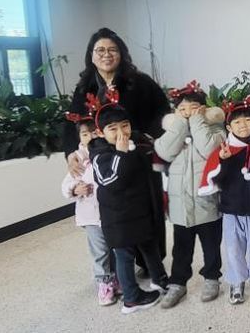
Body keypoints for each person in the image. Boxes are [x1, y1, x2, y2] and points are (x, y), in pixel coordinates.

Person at [64, 27, 170, 266]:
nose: (106, 54)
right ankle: (118, 267)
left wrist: (151, 138)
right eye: (100, 50)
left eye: (112, 49)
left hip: (138, 155)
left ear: (121, 53)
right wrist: (71, 153)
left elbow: (162, 112)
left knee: (146, 208)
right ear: (91, 56)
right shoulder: (84, 88)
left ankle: (150, 263)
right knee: (111, 211)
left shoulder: (140, 82)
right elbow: (71, 124)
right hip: (104, 159)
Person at [88, 90, 169, 314]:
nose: (121, 132)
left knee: (150, 245)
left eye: (125, 125)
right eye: (113, 129)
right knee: (124, 255)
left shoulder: (137, 143)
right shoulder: (100, 154)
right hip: (119, 218)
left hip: (140, 211)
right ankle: (132, 298)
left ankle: (160, 280)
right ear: (100, 132)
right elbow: (110, 180)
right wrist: (121, 154)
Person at [154, 81, 225, 308]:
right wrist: (179, 126)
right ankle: (178, 283)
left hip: (207, 202)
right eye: (183, 109)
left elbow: (209, 150)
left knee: (211, 246)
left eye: (194, 108)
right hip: (181, 205)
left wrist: (196, 121)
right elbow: (164, 152)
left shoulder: (216, 130)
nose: (188, 113)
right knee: (181, 249)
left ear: (204, 109)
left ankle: (212, 278)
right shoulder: (172, 131)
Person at [199, 95, 250, 304]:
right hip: (231, 211)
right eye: (237, 122)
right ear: (229, 127)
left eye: (248, 120)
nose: (243, 125)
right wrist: (224, 161)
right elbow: (217, 181)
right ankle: (236, 282)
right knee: (233, 249)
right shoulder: (224, 151)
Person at [61, 113, 118, 306]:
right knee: (100, 251)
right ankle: (104, 284)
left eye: (94, 132)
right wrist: (75, 189)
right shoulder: (77, 160)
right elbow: (65, 185)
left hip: (111, 213)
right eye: (85, 134)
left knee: (114, 248)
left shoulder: (109, 152)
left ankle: (116, 278)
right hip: (91, 216)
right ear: (79, 138)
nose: (90, 137)